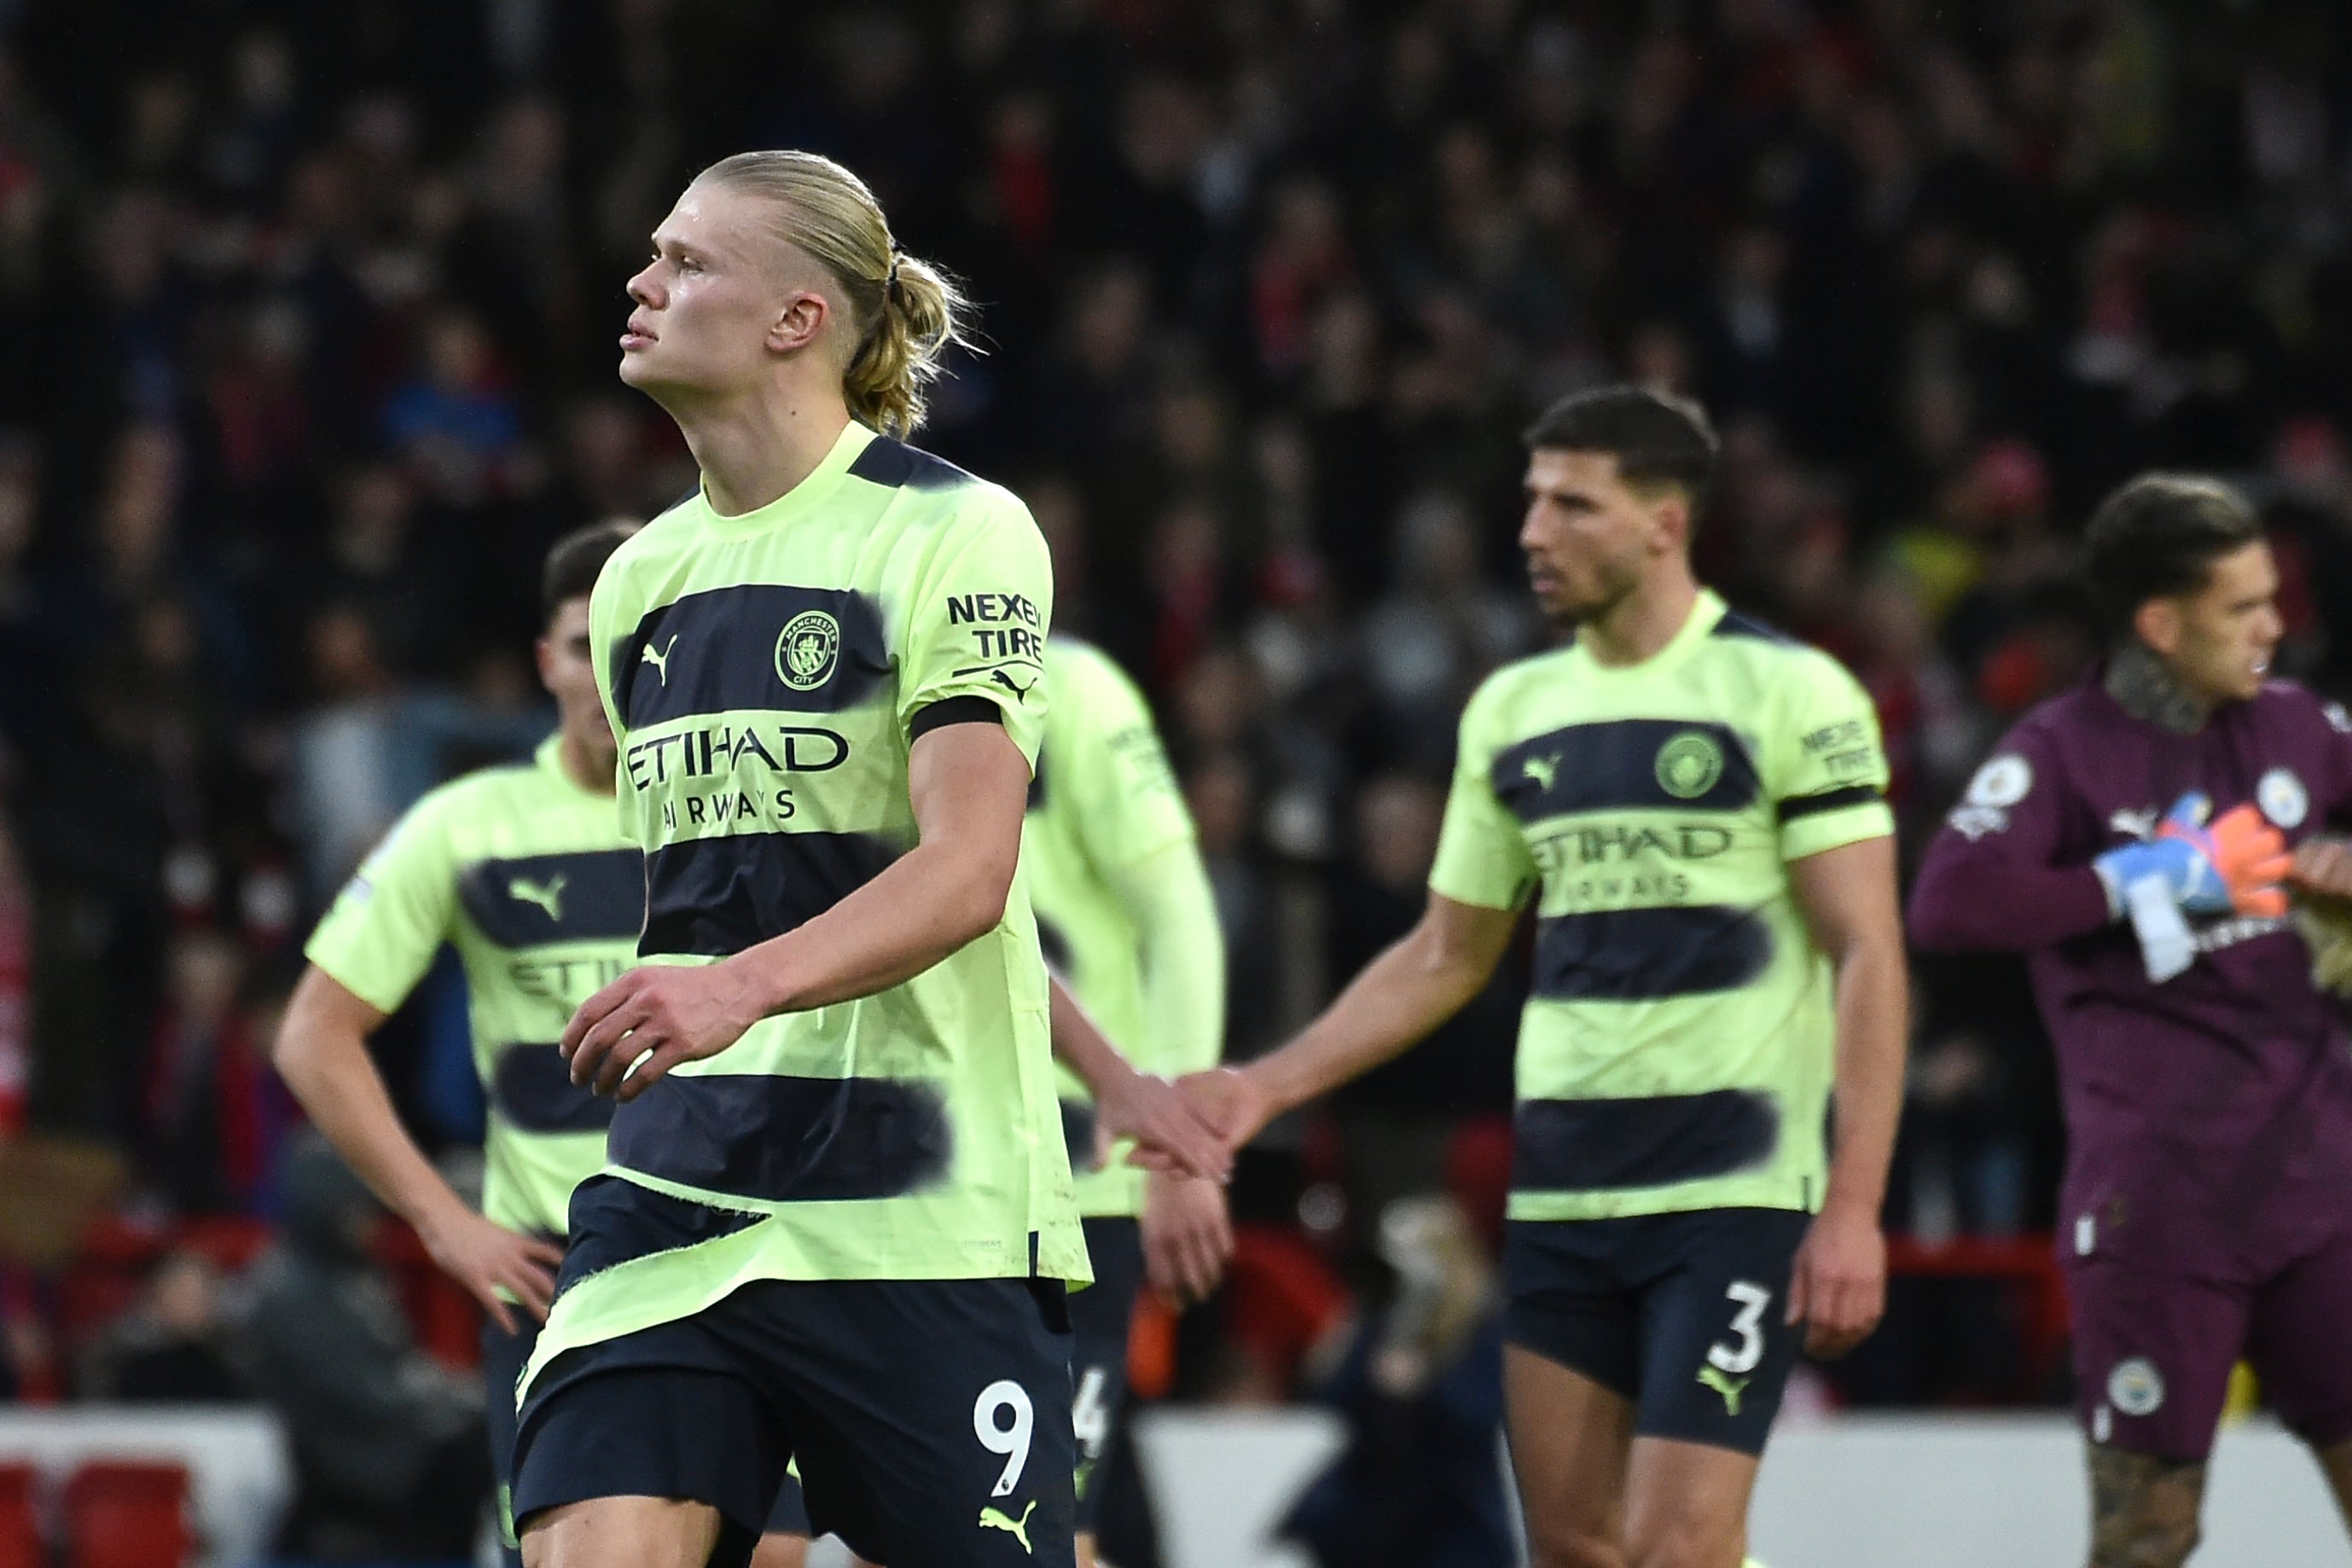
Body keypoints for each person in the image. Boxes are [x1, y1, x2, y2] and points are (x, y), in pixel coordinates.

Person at [520, 149, 1225, 1568]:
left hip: (922, 1216)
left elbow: (971, 875)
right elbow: (756, 896)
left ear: (796, 319)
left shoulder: (955, 530)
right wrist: (710, 997)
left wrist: (734, 991)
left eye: (687, 260)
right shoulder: (642, 584)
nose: (641, 282)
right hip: (680, 1194)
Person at [1182, 386, 1908, 1568]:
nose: (1532, 532)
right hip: (1563, 1202)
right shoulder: (1515, 710)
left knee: (1680, 1546)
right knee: (1576, 1547)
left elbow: (1869, 949)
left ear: (1663, 525)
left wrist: (1857, 1208)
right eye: (1530, 502)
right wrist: (1265, 1085)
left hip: (1728, 1199)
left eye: (1573, 505)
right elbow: (1442, 953)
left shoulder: (1790, 693)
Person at [1908, 473, 2352, 1568]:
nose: (2274, 624)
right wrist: (2143, 879)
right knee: (2149, 1534)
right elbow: (1947, 903)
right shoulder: (2061, 752)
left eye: (2273, 598)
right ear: (2160, 623)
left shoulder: (2299, 725)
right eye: (2243, 606)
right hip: (2159, 1207)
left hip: (2320, 1193)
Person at [276, 518, 666, 1565]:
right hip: (556, 1285)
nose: (606, 673)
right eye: (584, 645)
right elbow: (314, 1035)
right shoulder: (467, 823)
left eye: (632, 637)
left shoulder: (730, 817)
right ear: (545, 661)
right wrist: (444, 1221)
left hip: (736, 1264)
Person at [1028, 635, 1233, 1568]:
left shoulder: (1069, 687)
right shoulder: (847, 687)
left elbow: (1178, 909)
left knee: (1052, 1531)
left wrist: (1181, 1145)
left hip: (1072, 1191)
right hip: (895, 1191)